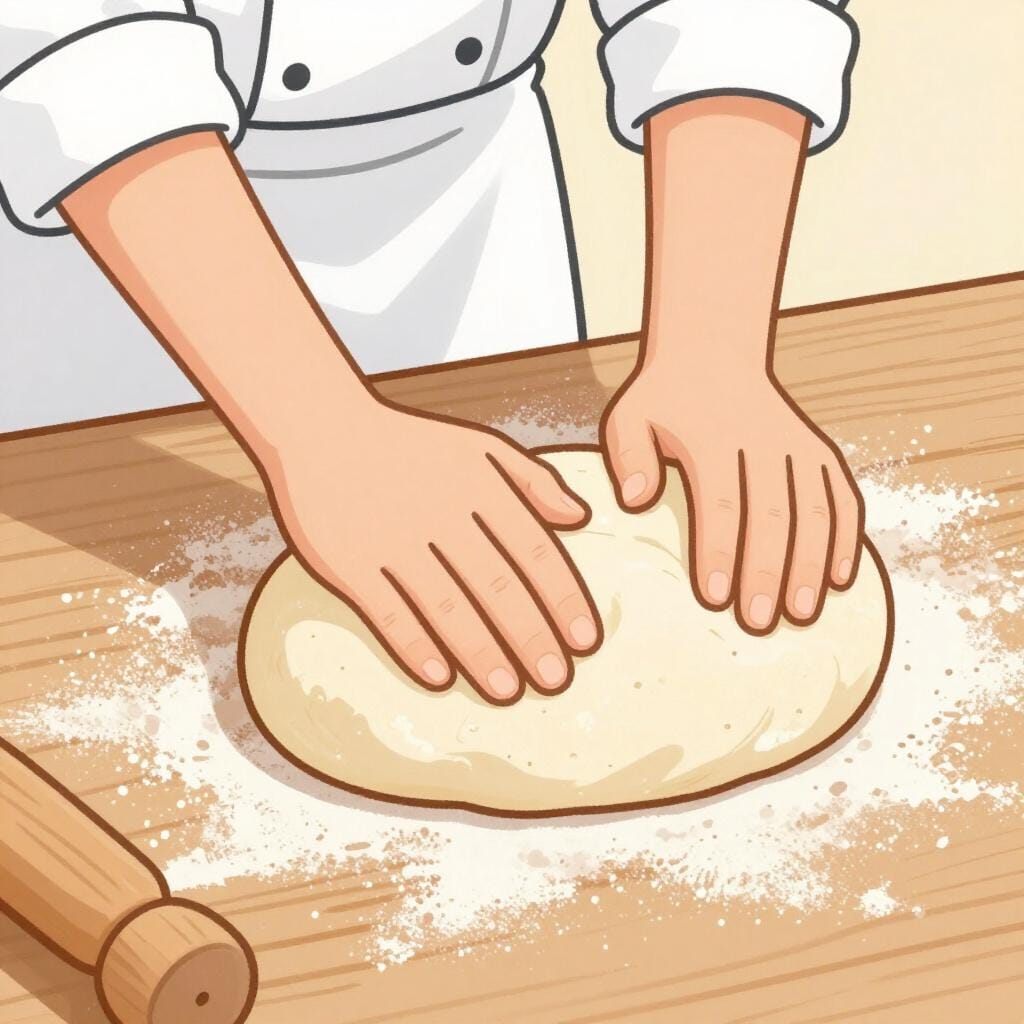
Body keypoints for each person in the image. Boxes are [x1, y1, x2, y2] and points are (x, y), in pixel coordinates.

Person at [0, 0, 864, 703]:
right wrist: (317, 428)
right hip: (124, 291)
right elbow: (82, 58)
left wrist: (712, 348)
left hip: (473, 233)